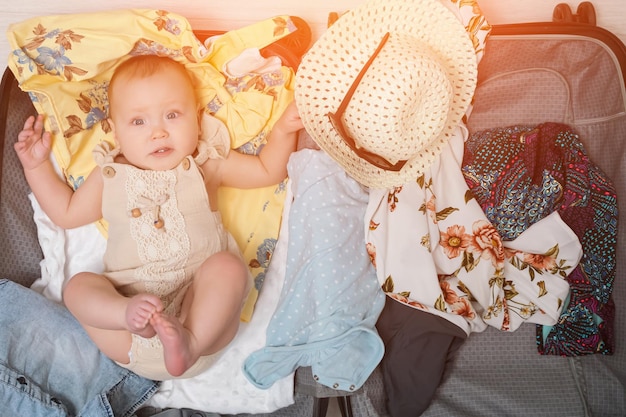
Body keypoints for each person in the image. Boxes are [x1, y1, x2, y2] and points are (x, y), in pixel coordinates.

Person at [14, 54, 303, 381]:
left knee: (228, 269)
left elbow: (267, 171)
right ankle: (125, 313)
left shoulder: (205, 163)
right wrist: (35, 167)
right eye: (139, 122)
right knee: (78, 287)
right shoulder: (110, 174)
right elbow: (66, 213)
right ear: (116, 133)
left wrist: (283, 130)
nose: (158, 132)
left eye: (172, 115)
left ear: (197, 119)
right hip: (129, 329)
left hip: (202, 324)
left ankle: (187, 342)